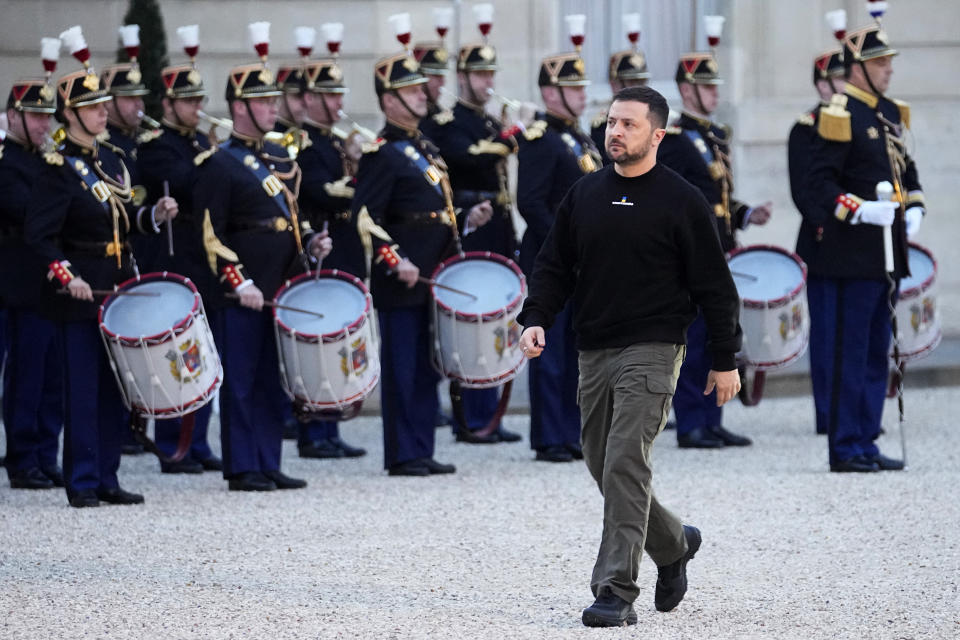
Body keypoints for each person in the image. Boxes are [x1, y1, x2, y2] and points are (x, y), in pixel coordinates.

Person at [517, 85, 742, 627]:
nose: (614, 132)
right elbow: (553, 266)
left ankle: (615, 589)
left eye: (628, 125)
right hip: (593, 350)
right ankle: (673, 543)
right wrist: (535, 318)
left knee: (624, 461)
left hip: (655, 348)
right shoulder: (585, 194)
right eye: (611, 122)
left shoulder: (683, 200)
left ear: (657, 135)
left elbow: (715, 286)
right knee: (601, 461)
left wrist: (725, 358)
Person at [25, 26, 179, 507]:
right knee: (84, 388)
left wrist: (152, 217)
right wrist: (67, 276)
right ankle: (83, 480)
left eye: (102, 106)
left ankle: (108, 476)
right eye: (92, 108)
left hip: (116, 287)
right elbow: (40, 236)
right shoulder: (56, 168)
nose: (102, 113)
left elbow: (122, 221)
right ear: (69, 115)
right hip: (81, 292)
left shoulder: (108, 160)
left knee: (118, 385)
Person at [192, 23, 331, 491]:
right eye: (266, 102)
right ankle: (244, 466)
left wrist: (309, 241)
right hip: (245, 291)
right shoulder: (220, 162)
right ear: (239, 107)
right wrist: (238, 282)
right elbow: (211, 234)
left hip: (280, 283)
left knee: (272, 380)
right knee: (244, 381)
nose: (275, 107)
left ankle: (268, 460)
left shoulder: (271, 158)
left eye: (274, 100)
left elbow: (288, 214)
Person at [351, 31, 491, 476]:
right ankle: (402, 453)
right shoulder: (383, 153)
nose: (421, 95)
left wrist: (468, 217)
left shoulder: (423, 148)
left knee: (427, 365)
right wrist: (396, 261)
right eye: (411, 91)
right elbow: (366, 218)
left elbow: (433, 213)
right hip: (404, 278)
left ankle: (421, 447)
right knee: (403, 368)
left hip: (434, 273)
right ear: (389, 101)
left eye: (419, 89)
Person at [799, 19, 920, 473]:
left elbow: (906, 171)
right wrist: (860, 208)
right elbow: (819, 184)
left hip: (886, 252)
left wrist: (917, 204)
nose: (888, 70)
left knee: (876, 351)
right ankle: (845, 444)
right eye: (878, 62)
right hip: (852, 252)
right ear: (857, 69)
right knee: (850, 352)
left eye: (887, 62)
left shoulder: (887, 112)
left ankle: (867, 438)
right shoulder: (840, 113)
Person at [657, 49, 770, 449]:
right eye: (706, 86)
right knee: (695, 339)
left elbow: (718, 198)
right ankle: (691, 422)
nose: (713, 93)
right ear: (686, 90)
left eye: (714, 85)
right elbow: (676, 200)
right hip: (690, 256)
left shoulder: (714, 136)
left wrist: (745, 215)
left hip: (719, 250)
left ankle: (713, 417)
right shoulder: (673, 140)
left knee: (720, 336)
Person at [419, 19, 522, 445]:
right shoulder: (448, 121)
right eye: (480, 74)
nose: (488, 81)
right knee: (469, 320)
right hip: (469, 221)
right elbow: (465, 160)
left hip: (496, 221)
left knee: (497, 316)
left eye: (491, 74)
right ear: (462, 78)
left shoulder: (486, 121)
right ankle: (469, 415)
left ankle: (490, 406)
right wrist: (512, 136)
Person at [137, 30, 223, 474]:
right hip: (173, 258)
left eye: (199, 100)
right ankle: (174, 443)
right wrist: (216, 160)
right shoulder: (158, 147)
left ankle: (200, 441)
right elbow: (189, 183)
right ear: (168, 105)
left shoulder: (199, 144)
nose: (197, 108)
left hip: (201, 255)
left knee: (203, 353)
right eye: (188, 102)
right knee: (176, 355)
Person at [517, 45, 601, 463]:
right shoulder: (540, 139)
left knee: (575, 353)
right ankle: (550, 436)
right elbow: (530, 202)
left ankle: (569, 432)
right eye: (573, 87)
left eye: (582, 86)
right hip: (552, 262)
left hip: (583, 262)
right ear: (551, 94)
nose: (582, 94)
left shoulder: (578, 137)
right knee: (548, 352)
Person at [291, 37, 367, 460]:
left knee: (339, 341)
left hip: (345, 248)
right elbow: (322, 193)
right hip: (320, 248)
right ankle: (312, 432)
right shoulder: (302, 144)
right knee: (317, 342)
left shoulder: (335, 143)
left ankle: (331, 426)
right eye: (329, 95)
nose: (337, 102)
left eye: (339, 94)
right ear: (309, 99)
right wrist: (363, 178)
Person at [1, 45, 64, 490]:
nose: (45, 125)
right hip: (19, 283)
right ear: (14, 116)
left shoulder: (47, 161)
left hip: (52, 283)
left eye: (48, 117)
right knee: (26, 375)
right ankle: (23, 456)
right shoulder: (6, 164)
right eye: (37, 117)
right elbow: (27, 214)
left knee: (53, 375)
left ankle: (46, 450)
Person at [788, 40, 845, 437]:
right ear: (822, 86)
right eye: (839, 79)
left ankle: (857, 412)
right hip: (824, 242)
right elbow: (804, 189)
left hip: (861, 246)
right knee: (826, 333)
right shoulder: (806, 129)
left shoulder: (860, 121)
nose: (844, 86)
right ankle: (828, 414)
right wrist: (832, 222)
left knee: (858, 334)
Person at [589, 17, 651, 164]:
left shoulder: (653, 120)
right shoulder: (603, 127)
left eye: (642, 82)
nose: (639, 89)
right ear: (614, 85)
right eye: (632, 82)